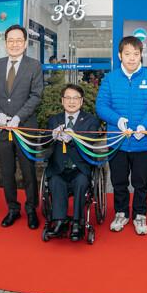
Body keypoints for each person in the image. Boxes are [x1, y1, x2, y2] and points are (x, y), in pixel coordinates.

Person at [96, 36, 147, 235]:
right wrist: (117, 120)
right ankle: (121, 212)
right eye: (127, 54)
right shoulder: (110, 79)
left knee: (141, 182)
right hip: (117, 142)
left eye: (136, 54)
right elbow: (101, 106)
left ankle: (140, 214)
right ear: (120, 56)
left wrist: (144, 125)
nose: (132, 58)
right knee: (119, 181)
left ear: (141, 55)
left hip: (142, 143)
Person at [0, 25, 43, 229]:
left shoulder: (34, 66)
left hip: (25, 128)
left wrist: (18, 117)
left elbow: (36, 95)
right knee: (6, 171)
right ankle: (12, 209)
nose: (15, 44)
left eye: (19, 40)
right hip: (2, 128)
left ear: (25, 43)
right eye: (11, 40)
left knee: (28, 171)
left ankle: (31, 209)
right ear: (5, 43)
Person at [46, 84, 100, 241]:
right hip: (59, 167)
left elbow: (92, 140)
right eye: (68, 98)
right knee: (55, 181)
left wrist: (75, 137)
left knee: (81, 182)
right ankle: (59, 221)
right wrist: (52, 136)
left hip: (80, 168)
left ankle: (78, 222)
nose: (71, 101)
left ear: (81, 101)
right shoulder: (54, 120)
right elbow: (43, 143)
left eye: (75, 98)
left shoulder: (91, 120)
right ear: (62, 101)